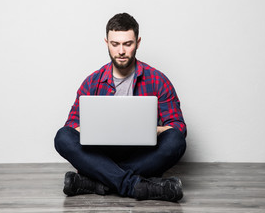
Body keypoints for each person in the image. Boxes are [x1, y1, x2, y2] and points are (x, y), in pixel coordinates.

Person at [54, 13, 187, 202]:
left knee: (176, 141)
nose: (121, 51)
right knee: (62, 137)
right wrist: (95, 130)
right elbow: (71, 127)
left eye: (128, 44)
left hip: (141, 154)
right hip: (102, 154)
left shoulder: (158, 80)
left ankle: (97, 182)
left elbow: (179, 128)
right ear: (106, 42)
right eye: (115, 44)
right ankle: (135, 186)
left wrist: (149, 130)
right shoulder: (92, 82)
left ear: (138, 42)